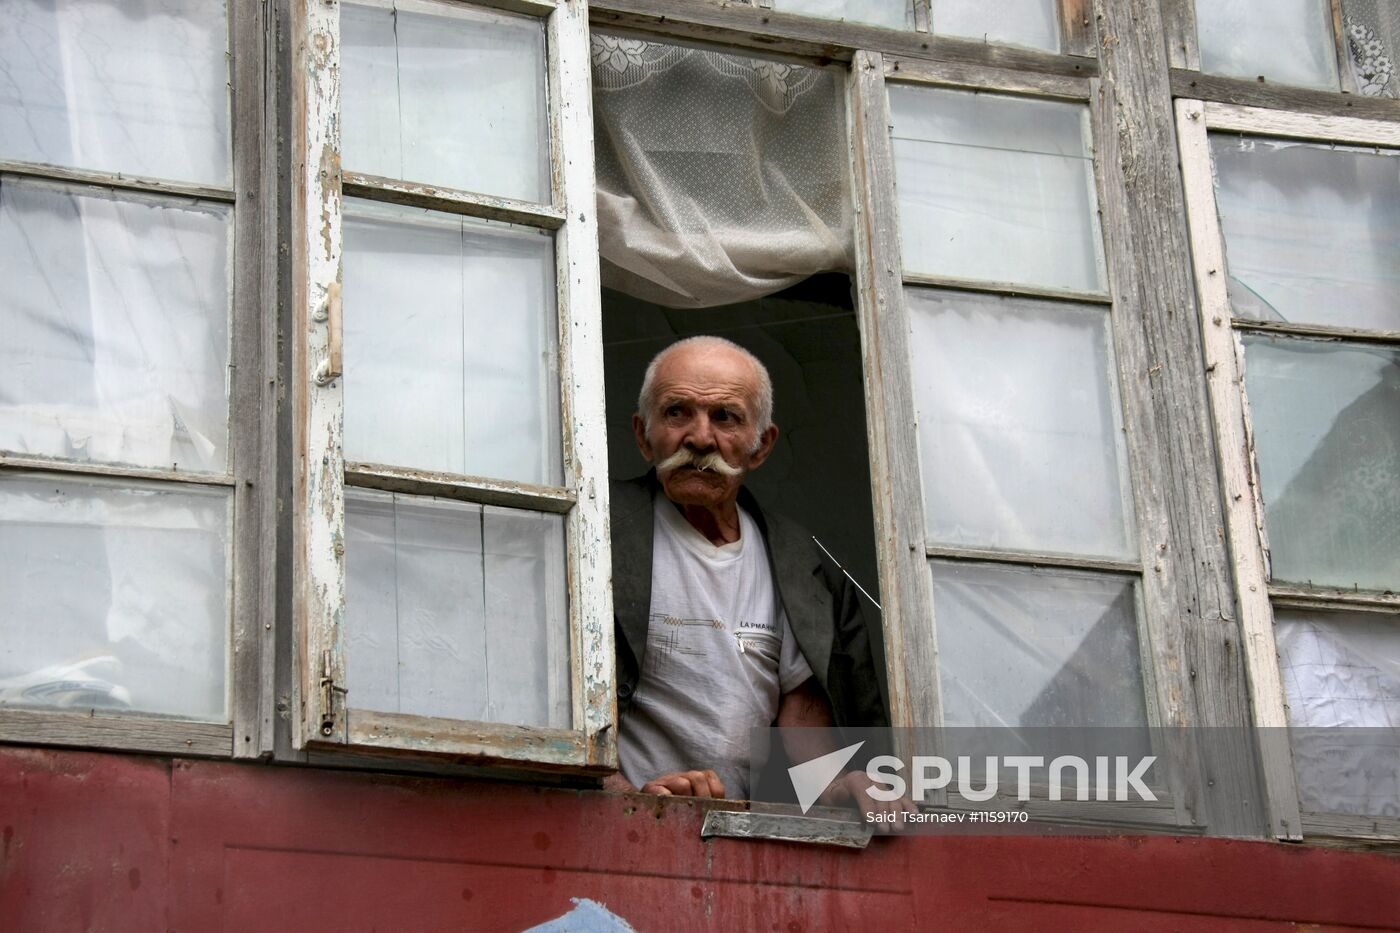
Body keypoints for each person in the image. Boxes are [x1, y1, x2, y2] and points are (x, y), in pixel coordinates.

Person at [604, 335, 912, 824]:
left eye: (725, 417)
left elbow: (802, 731)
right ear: (643, 435)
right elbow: (555, 706)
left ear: (761, 445)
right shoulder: (595, 533)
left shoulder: (799, 567)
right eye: (677, 413)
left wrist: (839, 785)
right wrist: (630, 800)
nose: (700, 438)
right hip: (626, 828)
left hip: (741, 838)